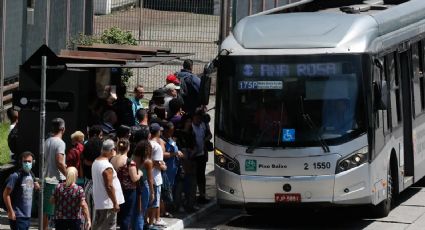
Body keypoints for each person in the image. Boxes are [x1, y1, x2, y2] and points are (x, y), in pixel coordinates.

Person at [92, 139, 125, 230]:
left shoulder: (96, 162)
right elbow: (109, 186)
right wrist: (115, 203)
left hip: (101, 201)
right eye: (114, 149)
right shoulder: (107, 166)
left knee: (98, 226)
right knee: (108, 227)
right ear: (111, 150)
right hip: (108, 204)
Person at [3, 151, 39, 230]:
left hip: (27, 216)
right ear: (21, 163)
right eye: (25, 161)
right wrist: (10, 211)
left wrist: (37, 186)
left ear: (33, 163)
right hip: (17, 216)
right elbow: (6, 194)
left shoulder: (31, 175)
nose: (27, 163)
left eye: (29, 161)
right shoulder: (15, 176)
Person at [110, 139, 141, 230]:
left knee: (118, 216)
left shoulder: (112, 159)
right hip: (128, 192)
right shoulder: (129, 162)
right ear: (128, 147)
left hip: (116, 190)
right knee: (127, 216)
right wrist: (140, 174)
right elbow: (134, 178)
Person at [44, 118, 67, 230]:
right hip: (57, 180)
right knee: (57, 210)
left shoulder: (47, 141)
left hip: (47, 178)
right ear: (63, 129)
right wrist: (68, 175)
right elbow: (59, 162)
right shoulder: (60, 143)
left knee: (47, 209)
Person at [174, 115, 198, 212]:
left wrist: (192, 153)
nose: (189, 123)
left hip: (191, 159)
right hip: (181, 161)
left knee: (192, 184)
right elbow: (176, 147)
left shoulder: (192, 133)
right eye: (187, 121)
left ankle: (190, 204)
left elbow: (195, 145)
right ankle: (179, 205)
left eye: (190, 121)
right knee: (181, 184)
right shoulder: (178, 133)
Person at [81, 125, 103, 220]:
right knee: (97, 211)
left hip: (87, 181)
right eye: (101, 135)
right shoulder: (101, 145)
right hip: (99, 182)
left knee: (87, 209)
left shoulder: (85, 145)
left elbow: (83, 162)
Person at [148, 123, 167, 227]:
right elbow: (156, 163)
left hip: (147, 176)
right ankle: (154, 222)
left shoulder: (146, 143)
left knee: (149, 201)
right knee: (155, 201)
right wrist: (163, 167)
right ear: (158, 132)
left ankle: (150, 221)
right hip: (155, 177)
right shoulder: (157, 146)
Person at [132, 140, 154, 230]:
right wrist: (152, 193)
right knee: (141, 212)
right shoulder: (148, 162)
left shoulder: (132, 157)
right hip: (143, 186)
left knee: (134, 211)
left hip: (133, 186)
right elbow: (150, 179)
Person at [192, 109, 212, 204]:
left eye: (200, 118)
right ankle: (192, 196)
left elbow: (210, 135)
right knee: (193, 176)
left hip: (202, 155)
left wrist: (204, 141)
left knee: (201, 176)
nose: (199, 120)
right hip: (193, 156)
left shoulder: (203, 125)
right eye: (197, 117)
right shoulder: (191, 127)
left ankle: (202, 195)